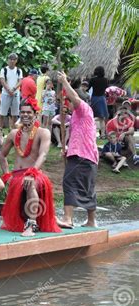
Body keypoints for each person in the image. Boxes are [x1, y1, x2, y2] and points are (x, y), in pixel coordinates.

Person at [0, 97, 61, 237]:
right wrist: (6, 175)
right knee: (23, 182)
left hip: (35, 173)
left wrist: (32, 172)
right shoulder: (14, 134)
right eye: (23, 112)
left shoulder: (43, 132)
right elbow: (2, 155)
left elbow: (43, 155)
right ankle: (47, 220)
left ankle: (31, 224)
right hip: (16, 174)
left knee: (30, 184)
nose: (25, 115)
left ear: (35, 114)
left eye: (29, 112)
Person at [57, 71, 99, 228]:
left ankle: (68, 219)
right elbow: (78, 136)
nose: (66, 103)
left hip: (82, 156)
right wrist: (67, 149)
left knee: (69, 182)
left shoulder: (84, 109)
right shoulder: (76, 115)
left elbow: (74, 98)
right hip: (84, 155)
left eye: (67, 100)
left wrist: (65, 81)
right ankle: (91, 221)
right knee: (88, 187)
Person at [0, 53, 23, 131]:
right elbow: (2, 80)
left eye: (14, 59)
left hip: (15, 94)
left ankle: (14, 131)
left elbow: (20, 80)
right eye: (10, 59)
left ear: (16, 61)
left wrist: (14, 89)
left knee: (15, 114)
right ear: (8, 60)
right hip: (5, 93)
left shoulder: (19, 70)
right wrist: (9, 90)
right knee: (2, 113)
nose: (12, 61)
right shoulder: (4, 70)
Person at [88, 66, 109, 138]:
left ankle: (91, 133)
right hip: (102, 98)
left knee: (92, 116)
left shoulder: (93, 79)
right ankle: (102, 134)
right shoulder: (105, 80)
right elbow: (106, 88)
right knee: (102, 118)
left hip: (95, 98)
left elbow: (88, 88)